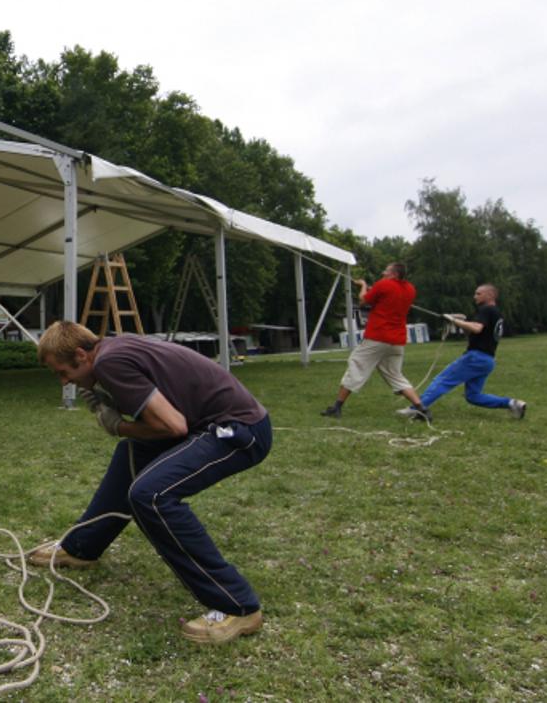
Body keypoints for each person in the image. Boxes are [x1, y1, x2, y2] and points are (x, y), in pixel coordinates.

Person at [32, 321, 272, 644]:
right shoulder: (112, 350)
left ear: (80, 354)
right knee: (131, 455)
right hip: (215, 424)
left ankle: (236, 605)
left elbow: (173, 426)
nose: (64, 382)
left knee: (151, 495)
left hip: (239, 430)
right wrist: (106, 399)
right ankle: (81, 548)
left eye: (63, 372)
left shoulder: (109, 362)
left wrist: (118, 425)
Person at [320, 262, 430, 419]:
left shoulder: (383, 284)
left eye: (386, 271)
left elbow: (363, 301)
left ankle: (336, 408)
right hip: (397, 340)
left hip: (378, 336)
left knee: (356, 365)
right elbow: (387, 298)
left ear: (394, 274)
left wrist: (363, 285)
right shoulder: (410, 289)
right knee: (395, 375)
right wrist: (375, 289)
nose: (383, 273)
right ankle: (422, 409)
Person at [412, 283, 527, 418]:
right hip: (487, 360)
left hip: (475, 357)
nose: (475, 297)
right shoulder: (496, 312)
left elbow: (476, 328)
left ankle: (417, 409)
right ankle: (513, 403)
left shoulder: (487, 310)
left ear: (490, 295)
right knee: (473, 396)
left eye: (478, 293)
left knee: (443, 380)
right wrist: (459, 321)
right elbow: (474, 333)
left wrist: (454, 320)